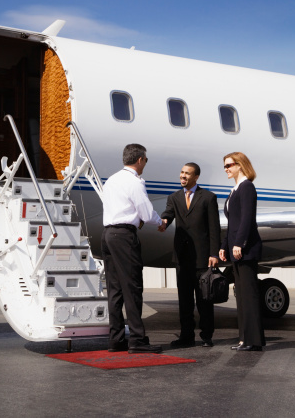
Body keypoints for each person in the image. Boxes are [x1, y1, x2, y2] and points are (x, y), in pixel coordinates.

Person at [101, 143, 166, 354]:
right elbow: (146, 213)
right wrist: (161, 222)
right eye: (145, 160)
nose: (145, 163)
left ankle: (116, 340)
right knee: (133, 288)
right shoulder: (135, 182)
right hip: (124, 236)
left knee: (115, 290)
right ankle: (137, 340)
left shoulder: (111, 180)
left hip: (108, 234)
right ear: (139, 160)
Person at [161, 162, 221, 348]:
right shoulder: (174, 197)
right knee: (185, 300)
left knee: (204, 300)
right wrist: (162, 221)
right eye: (181, 173)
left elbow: (214, 228)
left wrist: (214, 253)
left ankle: (206, 336)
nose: (183, 176)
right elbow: (168, 215)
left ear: (196, 177)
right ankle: (186, 337)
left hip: (203, 257)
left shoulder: (208, 198)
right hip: (182, 258)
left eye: (187, 173)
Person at [219, 152, 265, 352]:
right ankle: (243, 339)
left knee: (249, 295)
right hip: (235, 249)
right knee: (242, 296)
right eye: (225, 166)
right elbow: (232, 224)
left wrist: (239, 243)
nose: (226, 169)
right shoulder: (235, 190)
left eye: (229, 165)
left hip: (245, 250)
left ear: (240, 165)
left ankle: (254, 341)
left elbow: (247, 219)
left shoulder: (247, 187)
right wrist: (223, 246)